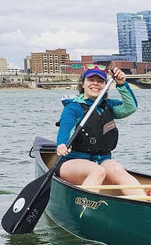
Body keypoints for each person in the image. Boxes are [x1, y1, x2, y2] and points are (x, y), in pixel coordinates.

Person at [56, 64, 141, 195]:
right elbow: (65, 129)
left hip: (101, 160)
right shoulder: (73, 108)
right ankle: (85, 208)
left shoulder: (109, 106)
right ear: (83, 84)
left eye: (100, 81)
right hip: (71, 163)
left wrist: (122, 84)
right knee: (97, 171)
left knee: (117, 169)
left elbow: (131, 108)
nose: (95, 84)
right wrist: (61, 144)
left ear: (105, 85)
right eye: (91, 80)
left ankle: (144, 205)